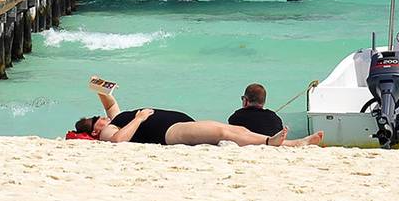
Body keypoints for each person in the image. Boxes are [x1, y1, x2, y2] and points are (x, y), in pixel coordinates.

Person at [73, 83, 322, 147]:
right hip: (171, 133)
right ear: (95, 130)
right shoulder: (109, 131)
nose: (103, 117)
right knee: (224, 131)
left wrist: (99, 88)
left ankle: (287, 142)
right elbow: (117, 142)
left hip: (180, 124)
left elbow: (109, 102)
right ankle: (273, 142)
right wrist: (139, 118)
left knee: (238, 132)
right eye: (98, 120)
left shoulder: (116, 119)